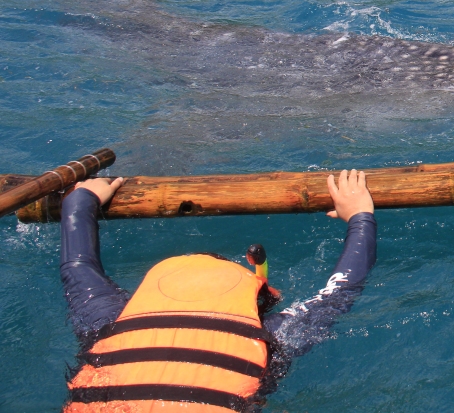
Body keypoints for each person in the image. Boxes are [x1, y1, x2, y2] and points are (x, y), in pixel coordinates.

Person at [60, 169, 376, 410]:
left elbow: (77, 264)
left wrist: (82, 198)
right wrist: (360, 214)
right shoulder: (270, 338)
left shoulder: (107, 321)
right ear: (255, 298)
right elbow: (341, 290)